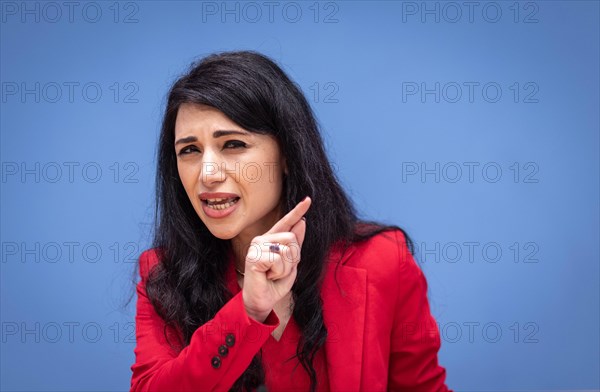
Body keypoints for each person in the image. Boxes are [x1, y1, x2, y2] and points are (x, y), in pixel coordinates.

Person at [130, 50, 451, 392]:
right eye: (189, 150)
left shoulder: (384, 260)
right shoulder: (163, 275)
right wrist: (248, 311)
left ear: (286, 154)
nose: (207, 174)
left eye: (233, 144)